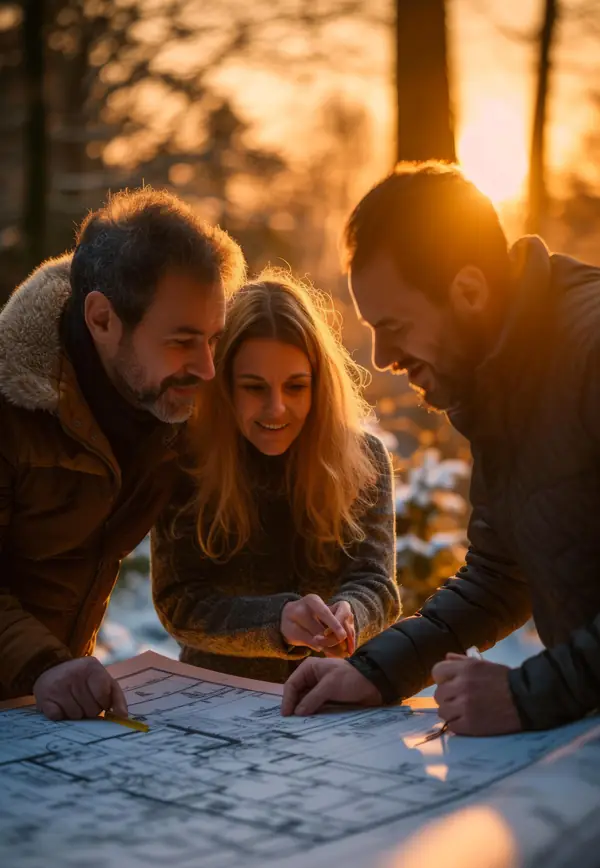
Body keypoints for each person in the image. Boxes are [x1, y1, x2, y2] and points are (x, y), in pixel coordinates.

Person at [282, 160, 600, 734]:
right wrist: (377, 671)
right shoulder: (503, 375)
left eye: (395, 326)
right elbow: (499, 576)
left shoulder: (589, 349)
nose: (381, 357)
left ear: (470, 290)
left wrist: (530, 696)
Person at [0, 187, 245, 719]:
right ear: (102, 319)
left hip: (51, 708)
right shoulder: (10, 407)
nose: (206, 367)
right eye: (182, 341)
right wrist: (43, 666)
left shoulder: (171, 404)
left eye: (213, 338)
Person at [151, 274, 400, 682]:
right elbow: (179, 603)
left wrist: (351, 613)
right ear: (224, 386)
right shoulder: (185, 464)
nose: (276, 409)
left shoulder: (364, 459)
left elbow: (376, 584)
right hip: (217, 701)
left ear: (320, 387)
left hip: (335, 696)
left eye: (296, 387)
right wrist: (276, 621)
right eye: (254, 387)